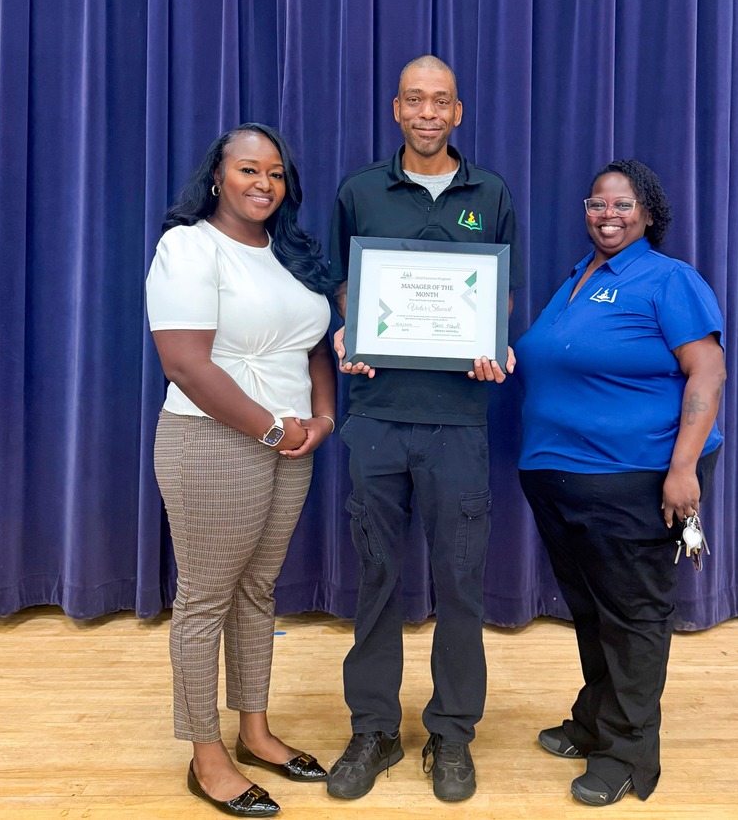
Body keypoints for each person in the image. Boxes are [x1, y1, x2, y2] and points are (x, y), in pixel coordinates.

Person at [324, 55, 524, 803]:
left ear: (459, 112)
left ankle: (451, 734)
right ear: (397, 108)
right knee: (376, 578)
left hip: (458, 422)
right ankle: (373, 729)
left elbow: (501, 295)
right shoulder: (360, 191)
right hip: (375, 418)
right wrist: (350, 327)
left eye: (441, 101)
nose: (429, 112)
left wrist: (493, 343)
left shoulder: (492, 193)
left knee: (461, 585)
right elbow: (345, 280)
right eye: (416, 100)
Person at [515, 159, 726, 807]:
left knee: (632, 617)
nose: (608, 215)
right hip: (558, 477)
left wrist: (684, 467)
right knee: (590, 611)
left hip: (634, 479)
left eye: (622, 205)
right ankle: (594, 718)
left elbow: (707, 372)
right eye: (597, 204)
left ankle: (631, 753)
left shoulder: (669, 279)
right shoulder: (577, 277)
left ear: (649, 214)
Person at [146, 123, 336, 817]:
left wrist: (322, 418)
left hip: (290, 442)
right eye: (249, 170)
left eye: (276, 174)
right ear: (217, 176)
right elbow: (185, 363)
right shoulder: (188, 246)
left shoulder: (288, 251)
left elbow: (313, 343)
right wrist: (269, 426)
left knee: (257, 591)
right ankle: (207, 754)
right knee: (206, 599)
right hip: (213, 440)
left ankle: (254, 731)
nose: (263, 184)